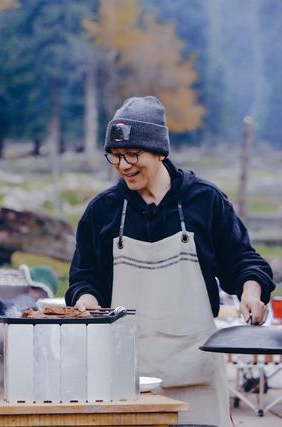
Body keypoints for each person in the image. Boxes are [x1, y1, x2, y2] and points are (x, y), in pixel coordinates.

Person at [65, 96, 274, 426]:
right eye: (116, 156)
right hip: (126, 378)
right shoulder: (102, 212)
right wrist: (87, 302)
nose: (123, 165)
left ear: (160, 152)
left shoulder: (205, 201)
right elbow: (85, 277)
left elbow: (242, 259)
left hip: (198, 376)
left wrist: (250, 292)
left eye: (132, 154)